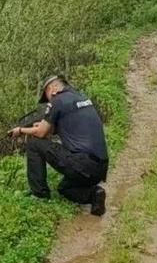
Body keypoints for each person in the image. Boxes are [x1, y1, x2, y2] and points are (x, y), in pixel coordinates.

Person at [10, 75, 108, 216]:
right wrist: (45, 126)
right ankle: (95, 194)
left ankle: (39, 195)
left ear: (53, 89)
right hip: (99, 169)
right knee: (65, 188)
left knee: (33, 142)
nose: (49, 100)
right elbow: (69, 126)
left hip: (81, 164)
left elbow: (41, 133)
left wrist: (20, 130)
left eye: (48, 96)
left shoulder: (57, 100)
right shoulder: (82, 97)